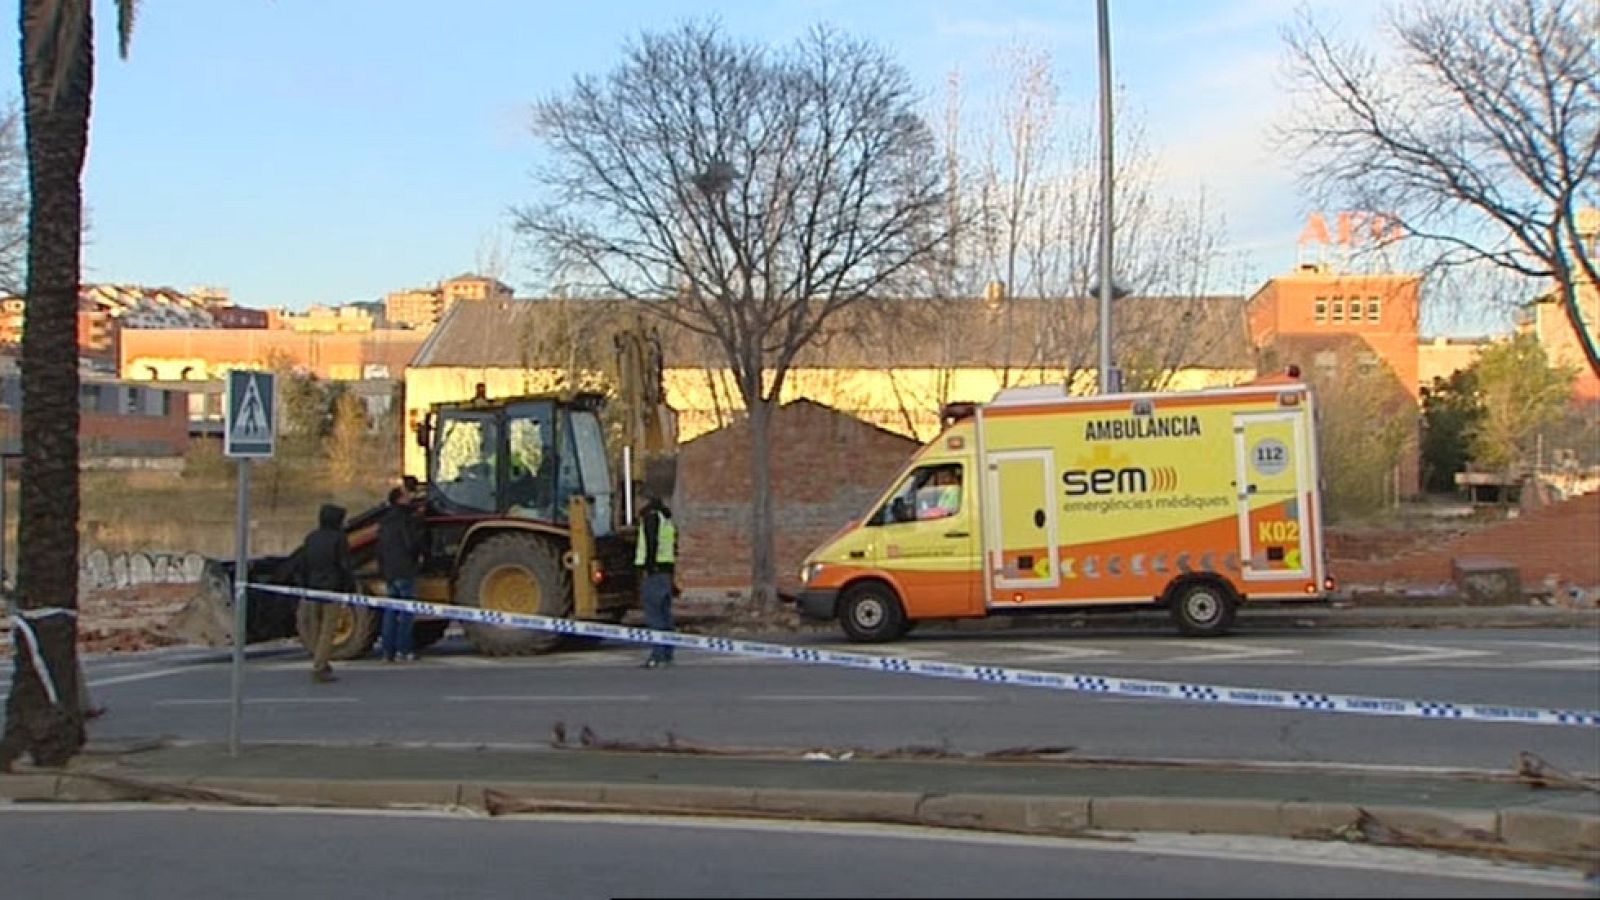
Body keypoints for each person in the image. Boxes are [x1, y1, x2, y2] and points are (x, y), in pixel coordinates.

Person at [295, 503, 355, 683]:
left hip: (313, 589)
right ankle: (319, 666)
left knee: (315, 628)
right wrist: (348, 588)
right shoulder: (338, 538)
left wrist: (304, 586)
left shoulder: (311, 538)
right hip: (332, 590)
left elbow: (303, 564)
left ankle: (320, 660)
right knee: (328, 631)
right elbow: (344, 565)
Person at [377, 484, 425, 662]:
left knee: (390, 612)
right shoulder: (406, 519)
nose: (410, 497)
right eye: (406, 495)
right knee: (406, 613)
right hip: (405, 569)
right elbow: (411, 543)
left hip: (390, 571)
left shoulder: (384, 521)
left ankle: (387, 651)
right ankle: (403, 650)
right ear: (399, 499)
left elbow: (379, 549)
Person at [635, 495, 678, 669]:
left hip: (654, 574)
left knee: (655, 617)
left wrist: (649, 568)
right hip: (666, 573)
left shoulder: (651, 517)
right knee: (665, 616)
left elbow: (651, 543)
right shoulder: (666, 519)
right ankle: (667, 654)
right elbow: (672, 548)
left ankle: (657, 656)